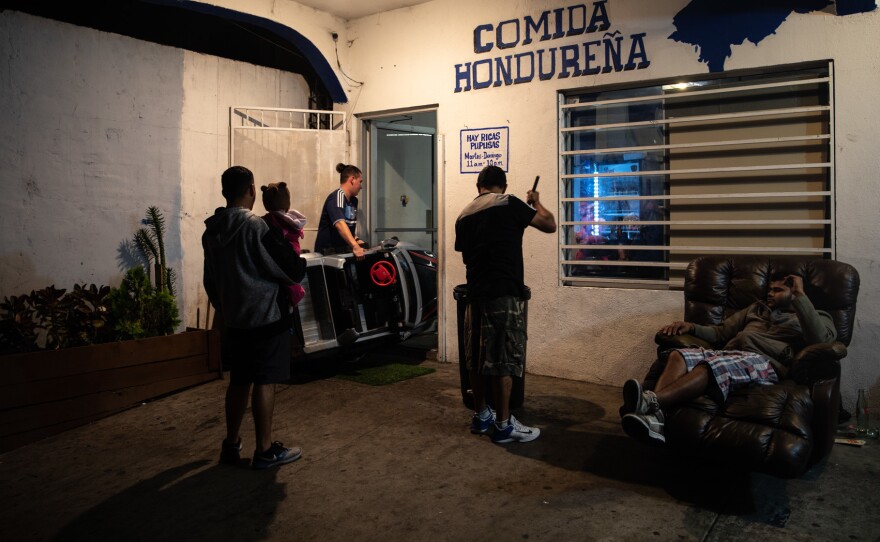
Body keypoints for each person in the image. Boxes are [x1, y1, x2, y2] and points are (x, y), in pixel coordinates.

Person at [620, 273, 837, 444]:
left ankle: (650, 401)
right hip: (730, 353)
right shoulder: (756, 309)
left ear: (795, 292)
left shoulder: (817, 317)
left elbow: (820, 340)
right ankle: (655, 419)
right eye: (769, 289)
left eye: (777, 290)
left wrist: (800, 295)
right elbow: (721, 333)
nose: (770, 293)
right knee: (679, 356)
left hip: (763, 362)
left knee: (711, 366)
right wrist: (692, 327)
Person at [202, 165, 306, 469]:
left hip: (233, 319)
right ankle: (264, 451)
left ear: (224, 192)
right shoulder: (256, 227)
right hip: (265, 317)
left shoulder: (212, 229)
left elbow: (210, 279)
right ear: (250, 190)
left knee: (238, 381)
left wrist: (223, 307)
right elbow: (288, 268)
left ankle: (231, 446)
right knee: (264, 380)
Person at [454, 165, 556, 444]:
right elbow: (549, 224)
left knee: (475, 359)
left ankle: (481, 415)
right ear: (503, 185)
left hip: (475, 295)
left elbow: (466, 254)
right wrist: (535, 203)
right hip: (504, 293)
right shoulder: (509, 203)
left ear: (479, 186)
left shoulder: (463, 215)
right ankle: (503, 425)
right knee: (503, 360)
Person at [260, 181, 307, 307]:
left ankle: (295, 293)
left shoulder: (268, 221)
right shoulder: (293, 220)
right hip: (293, 251)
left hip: (284, 254)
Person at [314, 163, 367, 260]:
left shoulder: (353, 201)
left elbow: (348, 228)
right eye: (360, 182)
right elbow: (340, 224)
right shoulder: (336, 197)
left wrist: (357, 240)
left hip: (341, 252)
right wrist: (355, 246)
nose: (361, 186)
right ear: (352, 180)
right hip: (328, 254)